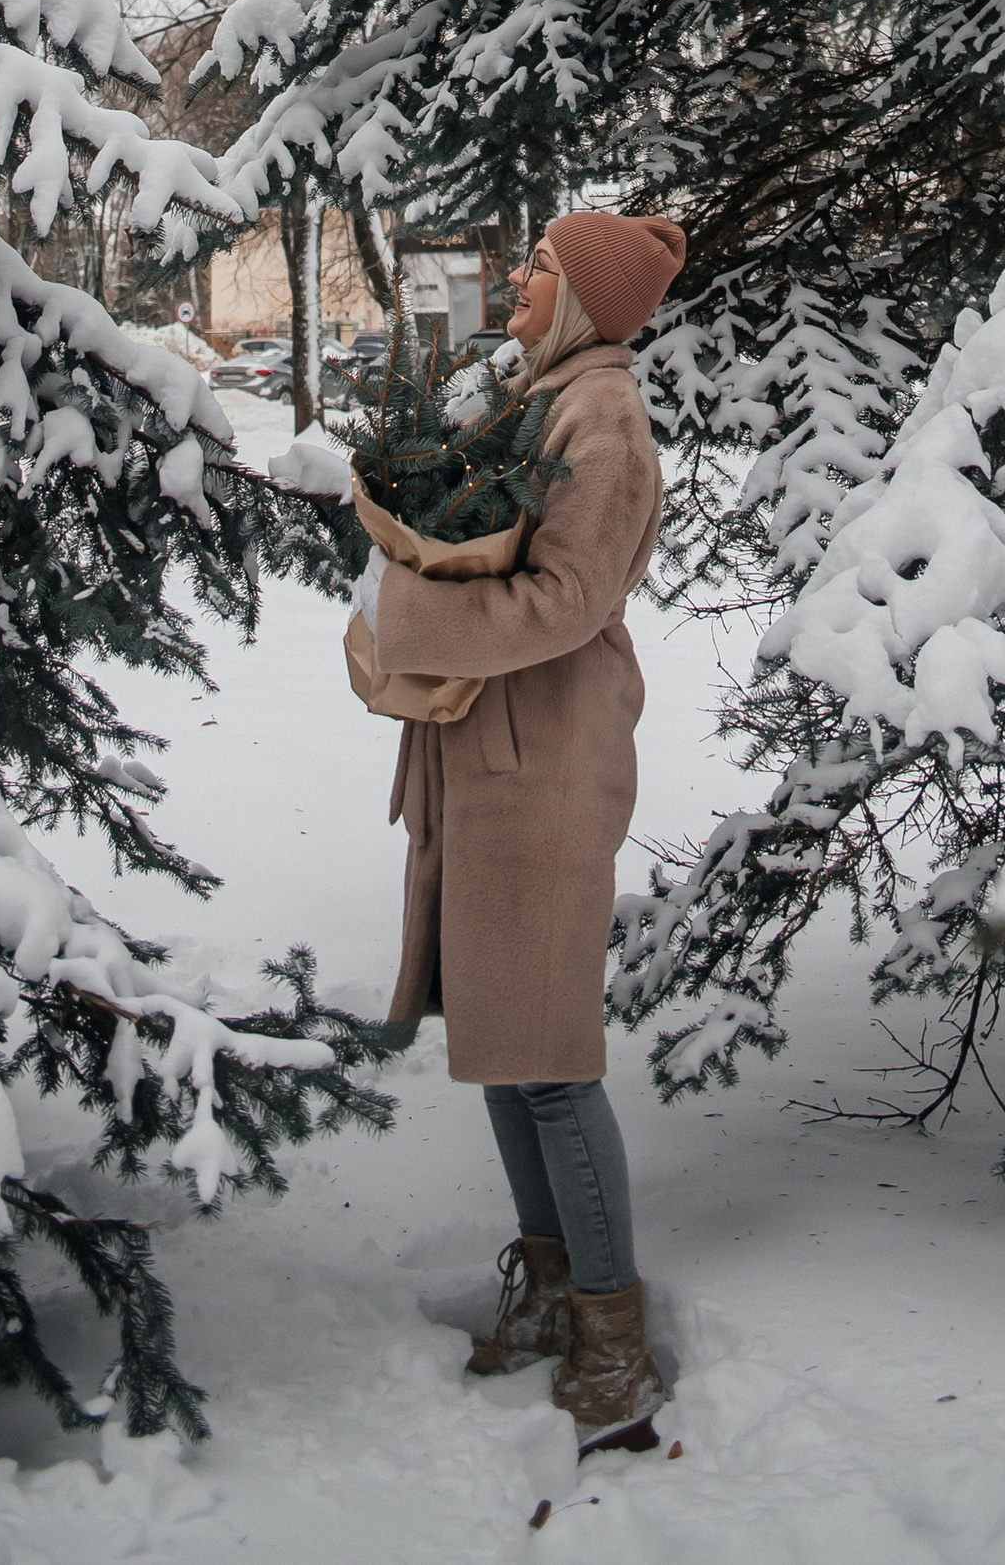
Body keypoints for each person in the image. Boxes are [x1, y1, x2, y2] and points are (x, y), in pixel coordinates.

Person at [355, 208, 683, 1437]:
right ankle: (549, 1293)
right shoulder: (538, 392)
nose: (520, 279)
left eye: (544, 267)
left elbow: (566, 596)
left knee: (549, 1060)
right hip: (491, 754)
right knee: (502, 1044)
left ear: (590, 301)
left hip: (544, 763)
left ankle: (611, 1340)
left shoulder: (604, 418)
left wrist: (416, 618)